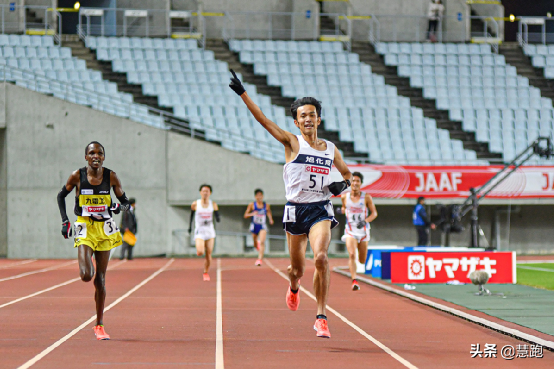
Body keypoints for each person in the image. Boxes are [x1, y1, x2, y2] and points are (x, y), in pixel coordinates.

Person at [229, 70, 352, 338]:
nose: (307, 119)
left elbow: (348, 175)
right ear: (296, 123)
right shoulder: (292, 142)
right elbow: (263, 120)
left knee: (321, 257)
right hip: (296, 210)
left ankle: (321, 316)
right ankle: (294, 285)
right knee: (297, 269)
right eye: (302, 116)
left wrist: (343, 185)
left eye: (311, 114)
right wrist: (243, 94)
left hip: (320, 208)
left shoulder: (331, 149)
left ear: (319, 119)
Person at [57, 141, 130, 340]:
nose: (95, 156)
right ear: (86, 157)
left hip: (105, 228)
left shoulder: (111, 176)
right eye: (92, 153)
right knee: (86, 275)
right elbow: (61, 195)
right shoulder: (77, 176)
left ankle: (99, 325)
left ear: (104, 157)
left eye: (99, 153)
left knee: (101, 279)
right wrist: (65, 221)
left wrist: (117, 208)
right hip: (84, 226)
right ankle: (86, 258)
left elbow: (126, 204)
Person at [340, 172, 377, 291]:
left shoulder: (366, 197)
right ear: (350, 182)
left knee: (362, 260)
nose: (355, 183)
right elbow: (344, 208)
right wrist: (341, 210)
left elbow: (374, 213)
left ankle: (357, 271)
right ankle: (354, 280)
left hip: (363, 231)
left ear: (361, 183)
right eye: (353, 180)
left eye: (358, 181)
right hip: (350, 231)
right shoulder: (344, 197)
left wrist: (365, 221)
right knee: (351, 254)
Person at [189, 184, 220, 281]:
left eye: (207, 191)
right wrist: (189, 227)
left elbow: (217, 217)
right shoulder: (195, 204)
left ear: (210, 193)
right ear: (200, 192)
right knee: (201, 251)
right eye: (203, 191)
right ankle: (199, 250)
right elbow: (191, 216)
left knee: (208, 254)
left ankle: (205, 272)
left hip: (210, 232)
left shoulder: (213, 204)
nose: (205, 193)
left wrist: (217, 216)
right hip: (200, 231)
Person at [244, 189, 274, 266]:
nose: (259, 197)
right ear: (255, 197)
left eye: (261, 195)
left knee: (262, 241)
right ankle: (256, 243)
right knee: (254, 242)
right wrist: (252, 214)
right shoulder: (252, 205)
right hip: (254, 225)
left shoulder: (266, 205)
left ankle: (259, 259)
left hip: (262, 225)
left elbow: (268, 212)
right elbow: (246, 215)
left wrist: (270, 219)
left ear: (262, 196)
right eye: (258, 196)